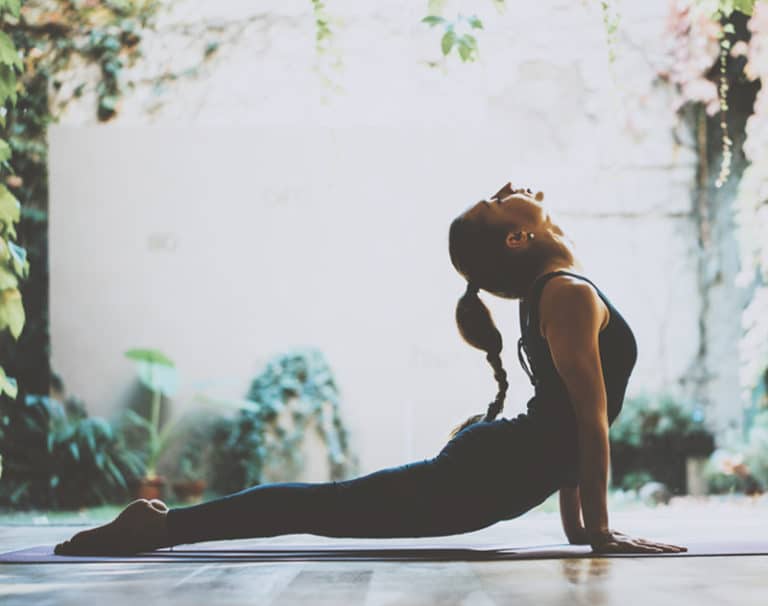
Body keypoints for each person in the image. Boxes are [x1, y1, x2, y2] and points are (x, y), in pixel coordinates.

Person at [54, 182, 687, 557]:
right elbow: (586, 419)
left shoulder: (554, 291)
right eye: (500, 201)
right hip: (489, 475)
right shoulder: (566, 293)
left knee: (328, 507)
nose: (519, 191)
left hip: (499, 472)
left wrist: (580, 528)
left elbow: (568, 422)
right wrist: (596, 530)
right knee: (323, 507)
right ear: (517, 238)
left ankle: (162, 525)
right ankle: (161, 525)